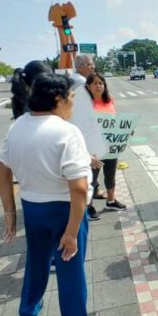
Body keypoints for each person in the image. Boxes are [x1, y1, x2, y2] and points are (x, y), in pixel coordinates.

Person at [0, 73, 99, 316]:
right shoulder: (67, 131)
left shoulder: (18, 125)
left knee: (37, 259)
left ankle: (28, 310)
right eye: (72, 98)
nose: (73, 105)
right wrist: (72, 230)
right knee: (70, 265)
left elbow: (2, 168)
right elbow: (78, 188)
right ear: (58, 99)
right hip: (66, 209)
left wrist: (9, 213)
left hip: (32, 207)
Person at [69, 54, 107, 221]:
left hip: (80, 135)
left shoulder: (72, 79)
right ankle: (87, 208)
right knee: (89, 173)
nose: (93, 68)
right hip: (87, 137)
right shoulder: (81, 83)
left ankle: (87, 202)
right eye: (90, 65)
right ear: (80, 66)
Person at [85, 72, 127, 211]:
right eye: (95, 83)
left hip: (110, 144)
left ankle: (111, 200)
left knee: (110, 174)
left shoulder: (109, 100)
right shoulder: (86, 104)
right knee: (92, 177)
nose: (98, 86)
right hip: (94, 147)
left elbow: (115, 121)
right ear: (88, 86)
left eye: (101, 83)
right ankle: (88, 206)